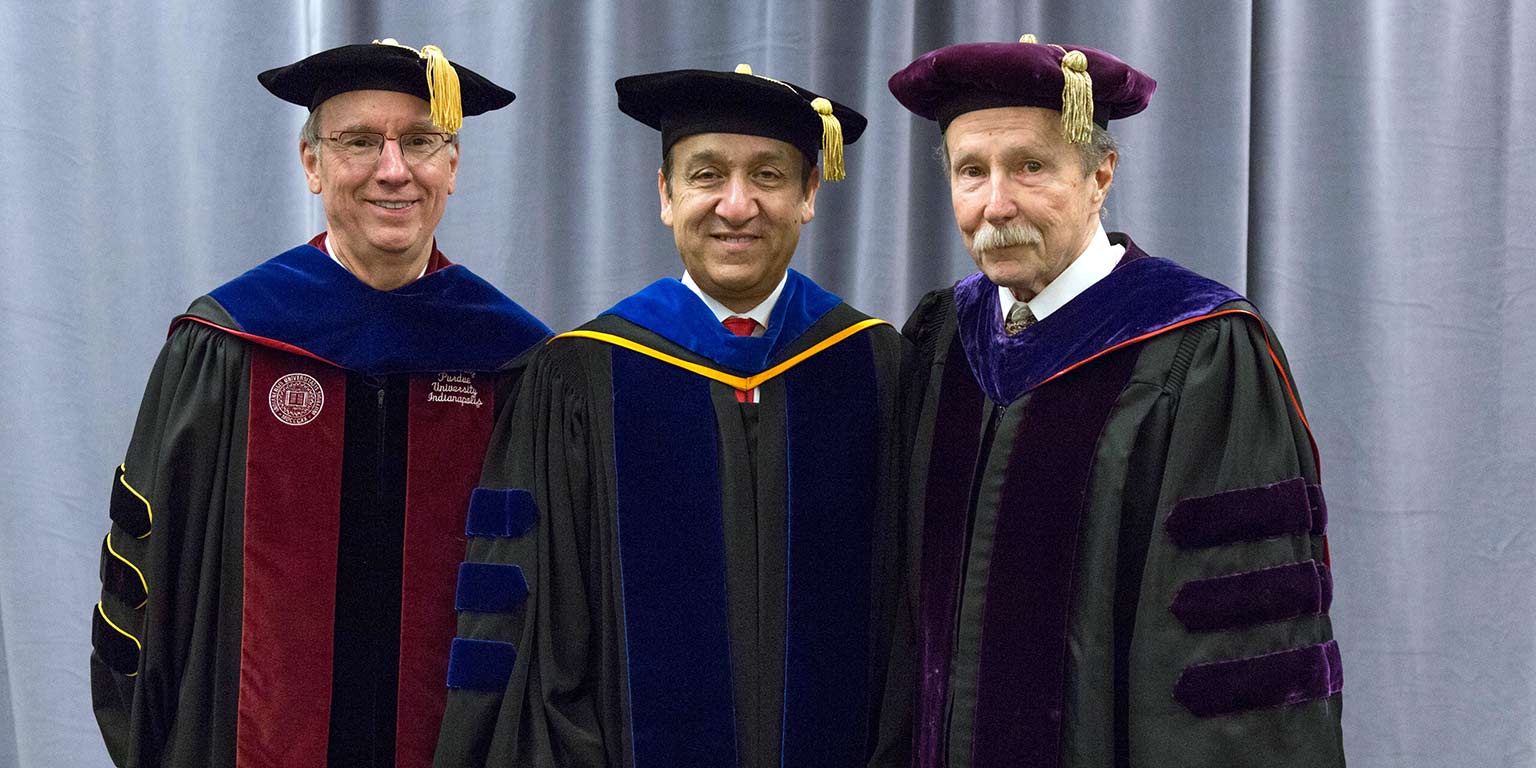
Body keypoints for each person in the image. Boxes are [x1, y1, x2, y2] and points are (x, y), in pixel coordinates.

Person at [88, 39, 550, 767]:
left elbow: (551, 612)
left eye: (421, 142)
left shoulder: (516, 365)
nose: (392, 170)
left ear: (452, 169)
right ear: (312, 164)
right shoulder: (229, 343)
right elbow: (144, 585)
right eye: (359, 141)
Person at [434, 64, 911, 767]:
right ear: (665, 195)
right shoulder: (584, 374)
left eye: (770, 177)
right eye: (707, 175)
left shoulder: (875, 369)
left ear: (811, 193)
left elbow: (911, 630)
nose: (737, 205)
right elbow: (538, 634)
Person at [888, 37, 1345, 767]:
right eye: (972, 171)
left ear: (1101, 175)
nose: (995, 203)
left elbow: (1235, 660)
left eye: (1031, 167)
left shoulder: (1199, 353)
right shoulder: (945, 338)